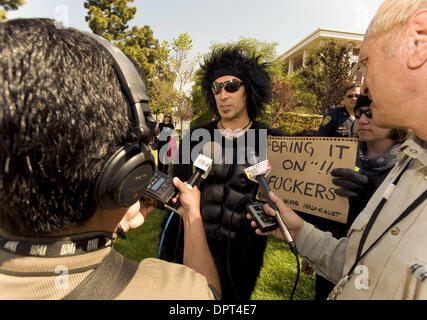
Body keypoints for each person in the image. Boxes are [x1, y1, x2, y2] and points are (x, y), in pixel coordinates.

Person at [0, 18, 219, 300]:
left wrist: (108, 226)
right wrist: (192, 216)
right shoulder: (174, 292)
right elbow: (211, 293)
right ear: (126, 173)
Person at [249, 0, 427, 299]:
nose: (363, 88)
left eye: (366, 63)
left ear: (418, 40)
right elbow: (363, 265)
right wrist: (301, 232)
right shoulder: (409, 164)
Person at [159, 46, 285, 300]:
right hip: (189, 247)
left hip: (240, 261)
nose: (223, 95)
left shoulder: (272, 142)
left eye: (230, 86)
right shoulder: (196, 137)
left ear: (249, 88)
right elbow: (178, 189)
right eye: (216, 88)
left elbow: (297, 198)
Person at [301, 94, 409, 299]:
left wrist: (369, 198)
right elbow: (326, 206)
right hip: (332, 256)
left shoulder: (408, 167)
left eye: (371, 113)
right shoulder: (340, 154)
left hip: (378, 270)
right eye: (358, 114)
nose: (362, 119)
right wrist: (314, 250)